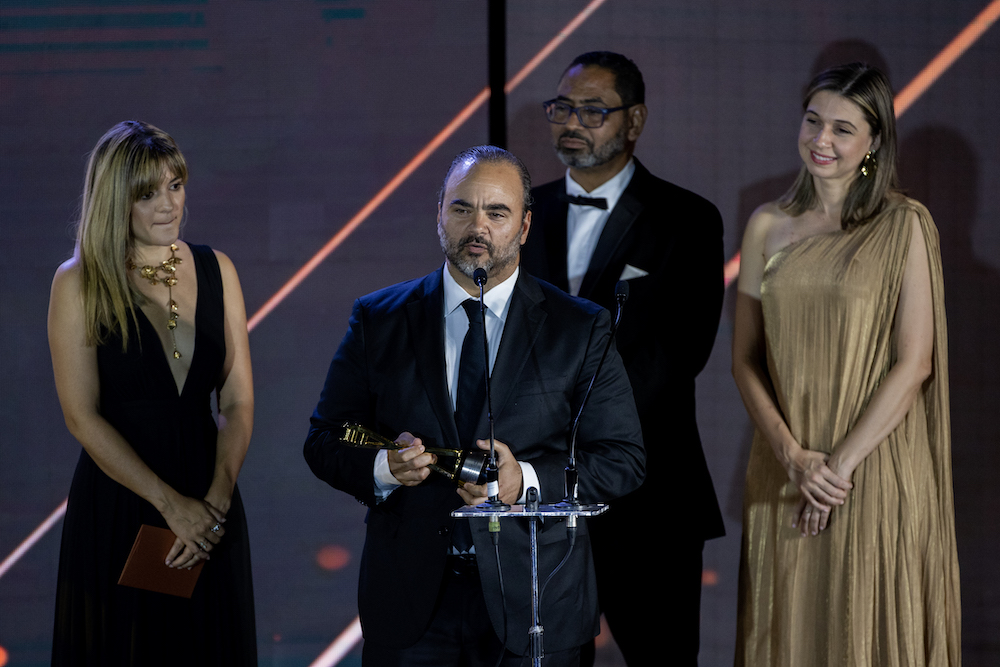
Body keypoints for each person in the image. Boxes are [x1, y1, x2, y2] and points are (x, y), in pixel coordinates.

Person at [303, 145, 645, 666]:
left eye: (497, 212)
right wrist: (385, 468)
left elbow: (622, 459)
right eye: (462, 208)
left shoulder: (580, 327)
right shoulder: (379, 318)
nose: (477, 226)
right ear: (439, 214)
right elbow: (324, 439)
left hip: (536, 601)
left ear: (524, 226)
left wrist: (523, 481)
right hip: (411, 602)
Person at [732, 63, 960, 665]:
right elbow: (745, 360)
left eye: (842, 128)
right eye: (813, 121)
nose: (821, 140)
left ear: (874, 140)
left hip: (873, 467)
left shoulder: (905, 225)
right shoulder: (766, 224)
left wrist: (834, 471)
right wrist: (794, 458)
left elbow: (915, 363)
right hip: (785, 468)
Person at [520, 51, 725, 665]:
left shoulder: (687, 218)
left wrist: (572, 423)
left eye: (592, 111)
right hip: (538, 497)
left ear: (634, 120)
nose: (571, 123)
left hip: (650, 494)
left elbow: (680, 352)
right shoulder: (518, 215)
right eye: (562, 108)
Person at [48, 121, 257, 665]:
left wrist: (215, 501)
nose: (168, 205)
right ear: (116, 201)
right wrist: (170, 505)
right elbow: (81, 416)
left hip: (209, 506)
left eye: (175, 185)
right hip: (123, 502)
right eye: (147, 194)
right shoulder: (78, 282)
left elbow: (237, 401)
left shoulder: (218, 269)